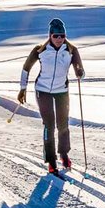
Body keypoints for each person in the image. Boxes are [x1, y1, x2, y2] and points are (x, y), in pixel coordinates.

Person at [18, 17, 85, 176]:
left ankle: (63, 154)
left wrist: (80, 72)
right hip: (43, 90)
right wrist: (23, 88)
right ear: (50, 35)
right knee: (49, 124)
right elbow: (26, 68)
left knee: (63, 124)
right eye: (55, 36)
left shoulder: (71, 50)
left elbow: (80, 70)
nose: (59, 39)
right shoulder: (39, 50)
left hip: (61, 90)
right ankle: (51, 160)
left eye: (62, 35)